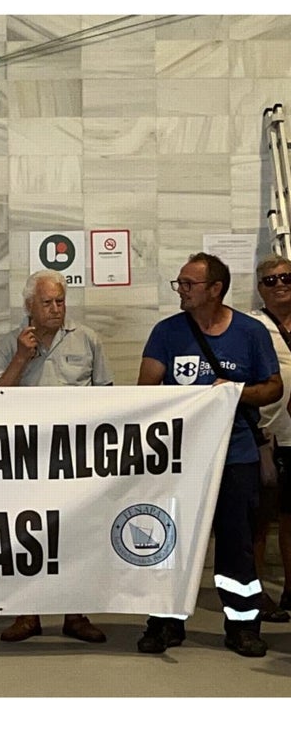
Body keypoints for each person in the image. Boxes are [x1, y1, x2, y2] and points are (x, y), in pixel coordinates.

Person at [137, 252, 282, 658]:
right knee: (170, 541)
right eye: (179, 283)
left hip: (234, 456)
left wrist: (233, 392)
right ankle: (164, 623)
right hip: (178, 460)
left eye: (188, 284)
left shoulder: (251, 333)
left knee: (237, 545)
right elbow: (145, 388)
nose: (180, 290)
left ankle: (242, 626)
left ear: (215, 289)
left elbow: (273, 388)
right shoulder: (166, 333)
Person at [0, 270, 110, 644]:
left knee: (76, 533)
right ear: (29, 306)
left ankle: (76, 613)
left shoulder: (88, 339)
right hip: (26, 455)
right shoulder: (11, 343)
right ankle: (28, 614)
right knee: (27, 534)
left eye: (60, 301)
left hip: (75, 455)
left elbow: (107, 396)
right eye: (47, 302)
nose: (56, 308)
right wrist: (23, 358)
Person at [250, 254, 291, 622]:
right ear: (260, 288)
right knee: (259, 519)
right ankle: (256, 591)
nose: (280, 285)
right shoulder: (252, 326)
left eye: (286, 278)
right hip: (265, 435)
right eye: (271, 281)